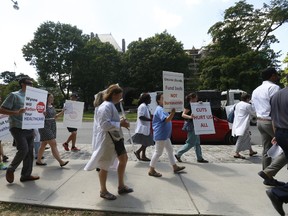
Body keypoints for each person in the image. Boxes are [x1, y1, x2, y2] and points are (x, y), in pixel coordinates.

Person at [84, 84, 133, 200]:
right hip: (108, 139)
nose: (121, 98)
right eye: (120, 95)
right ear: (114, 95)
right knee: (104, 165)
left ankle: (121, 186)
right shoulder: (104, 107)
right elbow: (105, 125)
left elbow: (111, 121)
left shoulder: (111, 106)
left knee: (124, 159)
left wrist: (120, 121)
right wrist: (120, 123)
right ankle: (103, 191)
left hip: (116, 138)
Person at [251, 67, 287, 186]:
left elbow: (254, 107)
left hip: (260, 121)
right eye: (276, 75)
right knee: (285, 147)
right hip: (272, 121)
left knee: (266, 150)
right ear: (272, 76)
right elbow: (279, 105)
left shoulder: (256, 90)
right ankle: (268, 172)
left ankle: (267, 177)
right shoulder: (274, 88)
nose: (277, 77)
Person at [0, 77, 39, 183]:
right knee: (23, 149)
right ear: (22, 84)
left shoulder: (34, 98)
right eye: (29, 83)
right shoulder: (14, 95)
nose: (31, 85)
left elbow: (35, 111)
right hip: (17, 127)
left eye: (32, 83)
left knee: (29, 152)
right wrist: (17, 112)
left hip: (29, 127)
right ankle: (11, 169)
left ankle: (26, 175)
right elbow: (2, 109)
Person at [265, 77, 288, 216]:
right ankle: (279, 193)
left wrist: (277, 135)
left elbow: (273, 118)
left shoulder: (277, 95)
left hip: (280, 132)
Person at [148, 93, 185, 177]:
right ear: (158, 100)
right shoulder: (160, 109)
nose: (165, 100)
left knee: (170, 150)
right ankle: (151, 169)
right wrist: (172, 113)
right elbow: (167, 120)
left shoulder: (162, 109)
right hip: (161, 135)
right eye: (163, 98)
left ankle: (174, 166)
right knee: (158, 152)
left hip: (164, 136)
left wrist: (171, 113)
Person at [36, 93, 69, 167]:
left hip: (52, 125)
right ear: (46, 98)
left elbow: (55, 117)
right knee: (53, 143)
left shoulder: (52, 106)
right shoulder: (42, 106)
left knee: (43, 144)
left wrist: (62, 112)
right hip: (44, 126)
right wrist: (41, 114)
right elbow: (36, 115)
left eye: (52, 97)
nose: (52, 99)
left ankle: (38, 160)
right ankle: (61, 162)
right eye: (51, 97)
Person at [174, 92, 208, 163]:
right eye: (196, 98)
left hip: (196, 125)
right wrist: (191, 117)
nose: (197, 99)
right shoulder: (189, 105)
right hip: (192, 125)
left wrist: (202, 104)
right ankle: (178, 154)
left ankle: (199, 158)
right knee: (190, 143)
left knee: (197, 142)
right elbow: (183, 115)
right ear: (192, 98)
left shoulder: (195, 105)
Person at [231, 93, 257, 159]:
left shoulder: (238, 104)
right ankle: (236, 153)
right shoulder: (247, 105)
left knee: (247, 137)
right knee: (241, 138)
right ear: (248, 98)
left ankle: (251, 151)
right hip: (244, 124)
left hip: (238, 122)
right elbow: (253, 113)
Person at [132, 93, 154, 161]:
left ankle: (143, 155)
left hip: (146, 127)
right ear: (146, 99)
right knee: (147, 142)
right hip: (143, 127)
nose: (151, 100)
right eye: (149, 98)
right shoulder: (142, 106)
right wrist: (150, 120)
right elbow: (141, 116)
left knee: (145, 142)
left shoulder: (146, 106)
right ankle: (138, 152)